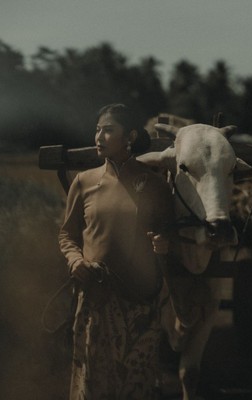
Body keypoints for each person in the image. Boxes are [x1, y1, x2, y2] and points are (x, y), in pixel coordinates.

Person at [59, 103, 174, 399]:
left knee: (135, 386)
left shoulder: (155, 186)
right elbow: (67, 235)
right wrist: (75, 260)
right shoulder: (84, 182)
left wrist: (164, 243)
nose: (99, 136)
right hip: (95, 302)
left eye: (108, 130)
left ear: (130, 136)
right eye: (97, 130)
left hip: (141, 305)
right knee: (92, 386)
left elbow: (169, 234)